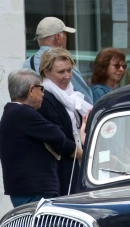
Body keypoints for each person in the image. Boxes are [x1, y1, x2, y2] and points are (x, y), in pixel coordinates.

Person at [0, 69, 83, 207]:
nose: (43, 94)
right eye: (41, 88)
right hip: (34, 190)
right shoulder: (23, 113)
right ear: (31, 90)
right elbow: (58, 136)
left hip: (26, 189)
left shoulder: (14, 112)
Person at [38, 48, 91, 196]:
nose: (67, 76)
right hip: (60, 171)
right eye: (61, 72)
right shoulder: (45, 98)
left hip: (77, 166)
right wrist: (87, 156)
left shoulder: (72, 96)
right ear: (46, 73)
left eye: (69, 70)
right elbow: (57, 139)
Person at [24, 16, 93, 105]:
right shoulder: (63, 63)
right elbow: (85, 95)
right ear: (58, 37)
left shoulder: (28, 63)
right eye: (65, 34)